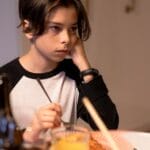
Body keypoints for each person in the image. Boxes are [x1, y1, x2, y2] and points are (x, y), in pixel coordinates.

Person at [0, 0, 119, 143]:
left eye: (73, 29)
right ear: (28, 28)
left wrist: (84, 65)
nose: (67, 39)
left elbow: (109, 127)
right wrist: (30, 133)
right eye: (55, 28)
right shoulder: (5, 79)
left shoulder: (75, 75)